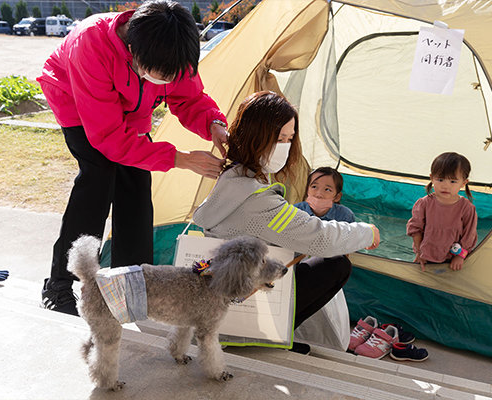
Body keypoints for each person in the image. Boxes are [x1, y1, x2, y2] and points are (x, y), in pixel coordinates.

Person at [37, 0, 229, 315]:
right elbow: (109, 138)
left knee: (137, 185)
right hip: (75, 99)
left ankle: (135, 282)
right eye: (160, 75)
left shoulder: (173, 48)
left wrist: (214, 125)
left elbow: (190, 97)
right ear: (134, 52)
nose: (167, 82)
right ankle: (60, 285)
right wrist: (180, 159)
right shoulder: (92, 44)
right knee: (98, 179)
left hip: (131, 108)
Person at [192, 91, 380, 353]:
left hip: (219, 291)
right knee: (335, 265)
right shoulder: (257, 199)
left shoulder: (234, 176)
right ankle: (266, 335)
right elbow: (320, 238)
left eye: (289, 139)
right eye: (279, 139)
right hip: (239, 301)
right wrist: (367, 232)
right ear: (255, 136)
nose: (286, 146)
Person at [406, 152, 477, 272]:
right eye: (440, 179)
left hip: (452, 259)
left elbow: (469, 235)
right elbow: (415, 229)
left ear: (464, 183)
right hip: (426, 257)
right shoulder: (424, 204)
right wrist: (419, 252)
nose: (445, 186)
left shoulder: (467, 208)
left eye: (453, 182)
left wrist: (460, 256)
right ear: (432, 178)